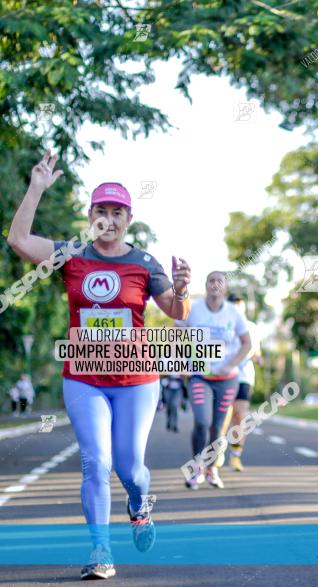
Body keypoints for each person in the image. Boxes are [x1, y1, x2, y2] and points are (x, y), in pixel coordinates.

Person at [6, 151, 192, 580]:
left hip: (136, 379)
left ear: (129, 218)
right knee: (95, 460)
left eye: (117, 211)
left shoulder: (144, 263)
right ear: (91, 216)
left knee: (129, 467)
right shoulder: (70, 255)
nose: (109, 218)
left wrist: (182, 289)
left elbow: (178, 312)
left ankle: (139, 503)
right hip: (84, 377)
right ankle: (101, 550)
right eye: (101, 211)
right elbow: (18, 242)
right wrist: (35, 188)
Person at [176, 271, 251, 490]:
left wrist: (231, 364)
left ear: (225, 288)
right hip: (200, 376)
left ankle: (211, 469)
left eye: (220, 281)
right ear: (206, 285)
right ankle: (195, 468)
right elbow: (175, 334)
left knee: (217, 427)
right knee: (201, 421)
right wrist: (181, 362)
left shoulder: (234, 314)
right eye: (211, 281)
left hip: (227, 379)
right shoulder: (193, 308)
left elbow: (247, 343)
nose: (215, 285)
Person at [224, 294, 261, 472]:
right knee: (225, 417)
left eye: (240, 305)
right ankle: (216, 453)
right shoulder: (222, 325)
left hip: (244, 376)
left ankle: (236, 455)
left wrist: (258, 358)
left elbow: (256, 351)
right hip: (223, 376)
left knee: (240, 414)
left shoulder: (252, 328)